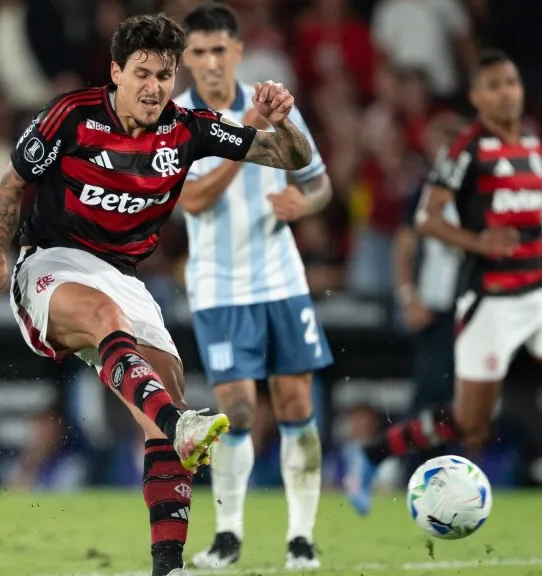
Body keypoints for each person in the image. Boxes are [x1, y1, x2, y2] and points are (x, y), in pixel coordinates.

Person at [0, 14, 314, 576]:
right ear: (116, 73)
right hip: (51, 262)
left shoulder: (188, 129)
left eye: (165, 75)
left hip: (124, 277)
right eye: (143, 73)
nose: (155, 87)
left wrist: (284, 121)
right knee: (110, 325)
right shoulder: (70, 116)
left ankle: (168, 564)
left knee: (165, 393)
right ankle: (181, 424)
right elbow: (12, 186)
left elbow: (289, 157)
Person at [342, 50, 542, 515]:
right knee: (469, 422)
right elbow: (426, 218)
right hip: (491, 300)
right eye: (493, 85)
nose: (506, 93)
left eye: (512, 83)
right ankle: (372, 453)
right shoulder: (466, 148)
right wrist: (479, 241)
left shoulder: (532, 142)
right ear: (477, 96)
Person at [174, 3, 333, 570]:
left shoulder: (274, 104)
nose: (211, 62)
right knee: (237, 411)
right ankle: (229, 535)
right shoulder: (177, 120)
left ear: (238, 51)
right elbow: (193, 200)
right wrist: (244, 133)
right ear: (186, 59)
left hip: (280, 278)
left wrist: (303, 203)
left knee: (295, 403)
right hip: (218, 287)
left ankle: (301, 538)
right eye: (199, 52)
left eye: (220, 49)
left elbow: (318, 181)